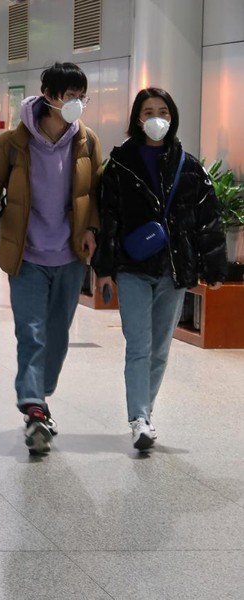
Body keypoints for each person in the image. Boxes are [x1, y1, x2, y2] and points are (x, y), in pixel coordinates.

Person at [0, 62, 101, 455]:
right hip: (25, 254)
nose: (76, 103)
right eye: (69, 95)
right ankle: (34, 407)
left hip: (69, 256)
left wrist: (91, 229)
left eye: (81, 96)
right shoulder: (13, 141)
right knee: (32, 332)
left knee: (57, 337)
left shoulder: (87, 141)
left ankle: (40, 397)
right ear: (48, 95)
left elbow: (94, 193)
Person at [93, 88, 226, 451]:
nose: (156, 118)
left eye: (163, 111)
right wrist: (104, 268)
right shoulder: (120, 165)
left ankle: (144, 416)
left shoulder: (189, 165)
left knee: (160, 349)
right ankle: (138, 416)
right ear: (138, 118)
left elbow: (207, 219)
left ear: (172, 117)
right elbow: (108, 218)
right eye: (149, 111)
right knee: (139, 345)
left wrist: (214, 268)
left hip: (174, 269)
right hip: (133, 267)